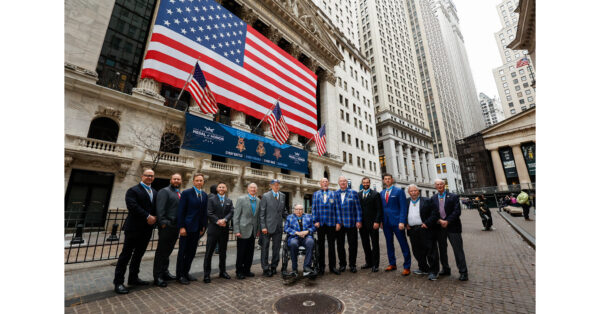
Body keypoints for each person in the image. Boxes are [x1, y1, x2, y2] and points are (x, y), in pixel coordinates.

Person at [113, 168, 157, 294]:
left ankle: (133, 278)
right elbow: (132, 206)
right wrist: (148, 216)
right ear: (142, 176)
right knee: (125, 255)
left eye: (152, 176)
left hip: (147, 229)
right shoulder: (133, 190)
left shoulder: (154, 191)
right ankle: (118, 282)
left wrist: (156, 217)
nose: (149, 178)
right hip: (133, 228)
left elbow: (155, 208)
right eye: (147, 175)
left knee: (138, 255)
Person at [431, 179, 468, 281]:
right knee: (442, 250)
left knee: (458, 250)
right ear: (435, 186)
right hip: (439, 228)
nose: (439, 186)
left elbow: (457, 211)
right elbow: (433, 213)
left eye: (441, 184)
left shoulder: (453, 196)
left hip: (453, 227)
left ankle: (463, 272)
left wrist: (447, 221)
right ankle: (446, 268)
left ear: (444, 185)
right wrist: (439, 221)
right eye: (437, 184)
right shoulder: (433, 198)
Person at [175, 173, 208, 285]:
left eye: (201, 180)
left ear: (203, 182)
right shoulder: (186, 193)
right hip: (187, 228)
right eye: (197, 180)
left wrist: (203, 226)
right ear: (193, 181)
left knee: (191, 252)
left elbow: (204, 212)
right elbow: (181, 211)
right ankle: (180, 275)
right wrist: (182, 227)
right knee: (183, 252)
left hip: (197, 228)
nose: (199, 182)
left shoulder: (204, 195)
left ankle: (186, 272)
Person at [152, 173, 182, 288]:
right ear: (171, 180)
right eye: (174, 179)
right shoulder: (164, 191)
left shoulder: (179, 192)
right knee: (161, 252)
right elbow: (160, 209)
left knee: (168, 251)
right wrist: (163, 223)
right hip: (167, 226)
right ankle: (157, 276)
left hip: (175, 227)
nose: (176, 181)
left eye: (178, 179)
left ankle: (165, 272)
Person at [405, 184, 440, 281]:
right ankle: (423, 268)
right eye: (411, 191)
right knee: (417, 251)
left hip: (425, 229)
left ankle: (434, 271)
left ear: (418, 191)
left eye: (415, 191)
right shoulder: (406, 202)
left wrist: (427, 223)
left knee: (431, 251)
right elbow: (403, 213)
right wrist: (405, 223)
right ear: (409, 193)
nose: (413, 193)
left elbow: (435, 214)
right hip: (412, 230)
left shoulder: (427, 201)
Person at [380, 173, 411, 276]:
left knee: (403, 244)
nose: (387, 180)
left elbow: (403, 207)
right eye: (386, 179)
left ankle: (407, 266)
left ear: (392, 180)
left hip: (398, 222)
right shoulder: (382, 193)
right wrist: (381, 221)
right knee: (389, 244)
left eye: (389, 179)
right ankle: (392, 263)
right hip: (386, 223)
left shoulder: (399, 191)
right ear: (384, 181)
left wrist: (402, 221)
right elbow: (381, 209)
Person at [203, 182, 234, 283]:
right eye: (220, 187)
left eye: (223, 187)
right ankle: (207, 274)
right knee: (209, 252)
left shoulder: (229, 201)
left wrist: (224, 220)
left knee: (223, 252)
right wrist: (218, 221)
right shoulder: (211, 200)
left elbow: (231, 212)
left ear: (226, 189)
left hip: (224, 230)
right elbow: (209, 212)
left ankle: (223, 271)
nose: (221, 188)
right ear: (217, 189)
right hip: (213, 229)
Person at [311, 177, 341, 275]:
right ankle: (321, 267)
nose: (324, 183)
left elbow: (337, 209)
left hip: (331, 223)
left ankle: (332, 267)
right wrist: (315, 221)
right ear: (320, 183)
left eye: (326, 181)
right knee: (321, 247)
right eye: (323, 182)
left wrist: (338, 222)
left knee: (332, 246)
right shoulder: (316, 194)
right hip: (320, 224)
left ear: (328, 183)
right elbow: (314, 209)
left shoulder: (334, 194)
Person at [259, 179, 287, 277]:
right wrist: (263, 226)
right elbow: (262, 213)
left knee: (276, 248)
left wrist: (292, 218)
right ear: (270, 186)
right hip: (267, 228)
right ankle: (265, 268)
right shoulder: (265, 196)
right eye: (274, 185)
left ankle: (274, 266)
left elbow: (284, 211)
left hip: (278, 228)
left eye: (278, 185)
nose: (276, 186)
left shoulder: (283, 196)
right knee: (265, 248)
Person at [334, 176, 362, 273]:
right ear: (339, 183)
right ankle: (342, 264)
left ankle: (352, 265)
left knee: (353, 245)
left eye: (344, 181)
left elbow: (358, 208)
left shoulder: (353, 193)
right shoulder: (335, 194)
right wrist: (336, 222)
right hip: (339, 224)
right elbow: (334, 210)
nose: (342, 182)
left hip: (351, 223)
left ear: (347, 182)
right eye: (341, 181)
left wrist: (359, 220)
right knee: (340, 245)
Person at [233, 183, 261, 279]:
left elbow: (257, 217)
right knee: (241, 252)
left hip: (253, 231)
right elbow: (236, 216)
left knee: (250, 252)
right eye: (251, 188)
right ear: (248, 189)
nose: (253, 189)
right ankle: (239, 271)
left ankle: (247, 270)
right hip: (242, 230)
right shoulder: (241, 199)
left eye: (254, 188)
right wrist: (236, 230)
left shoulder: (258, 200)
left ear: (256, 190)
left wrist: (257, 229)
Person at [284, 204, 317, 277]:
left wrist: (307, 231)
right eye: (297, 209)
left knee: (310, 242)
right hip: (294, 237)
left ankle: (306, 267)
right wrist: (296, 233)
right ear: (294, 210)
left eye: (300, 209)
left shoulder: (309, 216)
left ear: (303, 210)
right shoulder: (289, 217)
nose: (298, 211)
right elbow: (286, 228)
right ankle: (294, 268)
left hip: (306, 237)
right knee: (293, 244)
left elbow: (314, 227)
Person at [358, 177, 383, 272]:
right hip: (362, 224)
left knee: (375, 244)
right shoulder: (358, 194)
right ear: (362, 183)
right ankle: (368, 262)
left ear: (369, 183)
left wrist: (377, 221)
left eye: (367, 182)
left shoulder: (375, 194)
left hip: (373, 224)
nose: (365, 184)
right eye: (364, 182)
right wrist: (358, 221)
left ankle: (375, 264)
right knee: (365, 244)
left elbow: (379, 209)